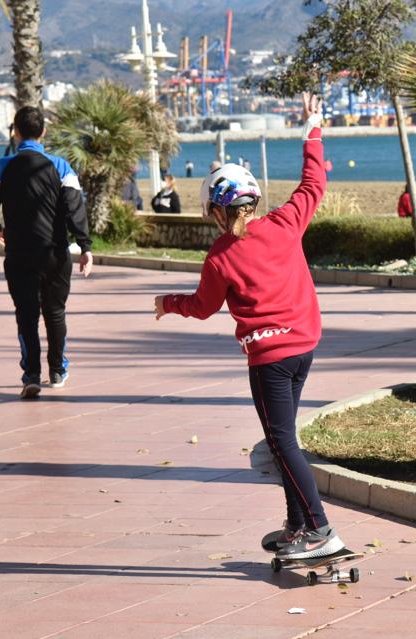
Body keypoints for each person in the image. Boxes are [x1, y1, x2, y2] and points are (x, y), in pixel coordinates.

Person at [153, 93, 348, 561]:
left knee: (281, 441)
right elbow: (313, 181)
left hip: (270, 360)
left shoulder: (220, 256)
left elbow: (202, 307)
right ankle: (298, 524)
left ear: (218, 211)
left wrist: (168, 303)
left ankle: (320, 530)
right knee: (285, 441)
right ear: (252, 199)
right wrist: (313, 126)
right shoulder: (285, 222)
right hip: (304, 348)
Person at [0, 106, 94, 400]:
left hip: (19, 253)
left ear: (15, 132)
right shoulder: (61, 166)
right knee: (55, 313)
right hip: (55, 253)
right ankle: (57, 371)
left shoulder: (1, 167)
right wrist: (85, 246)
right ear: (43, 132)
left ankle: (31, 375)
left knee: (26, 314)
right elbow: (74, 208)